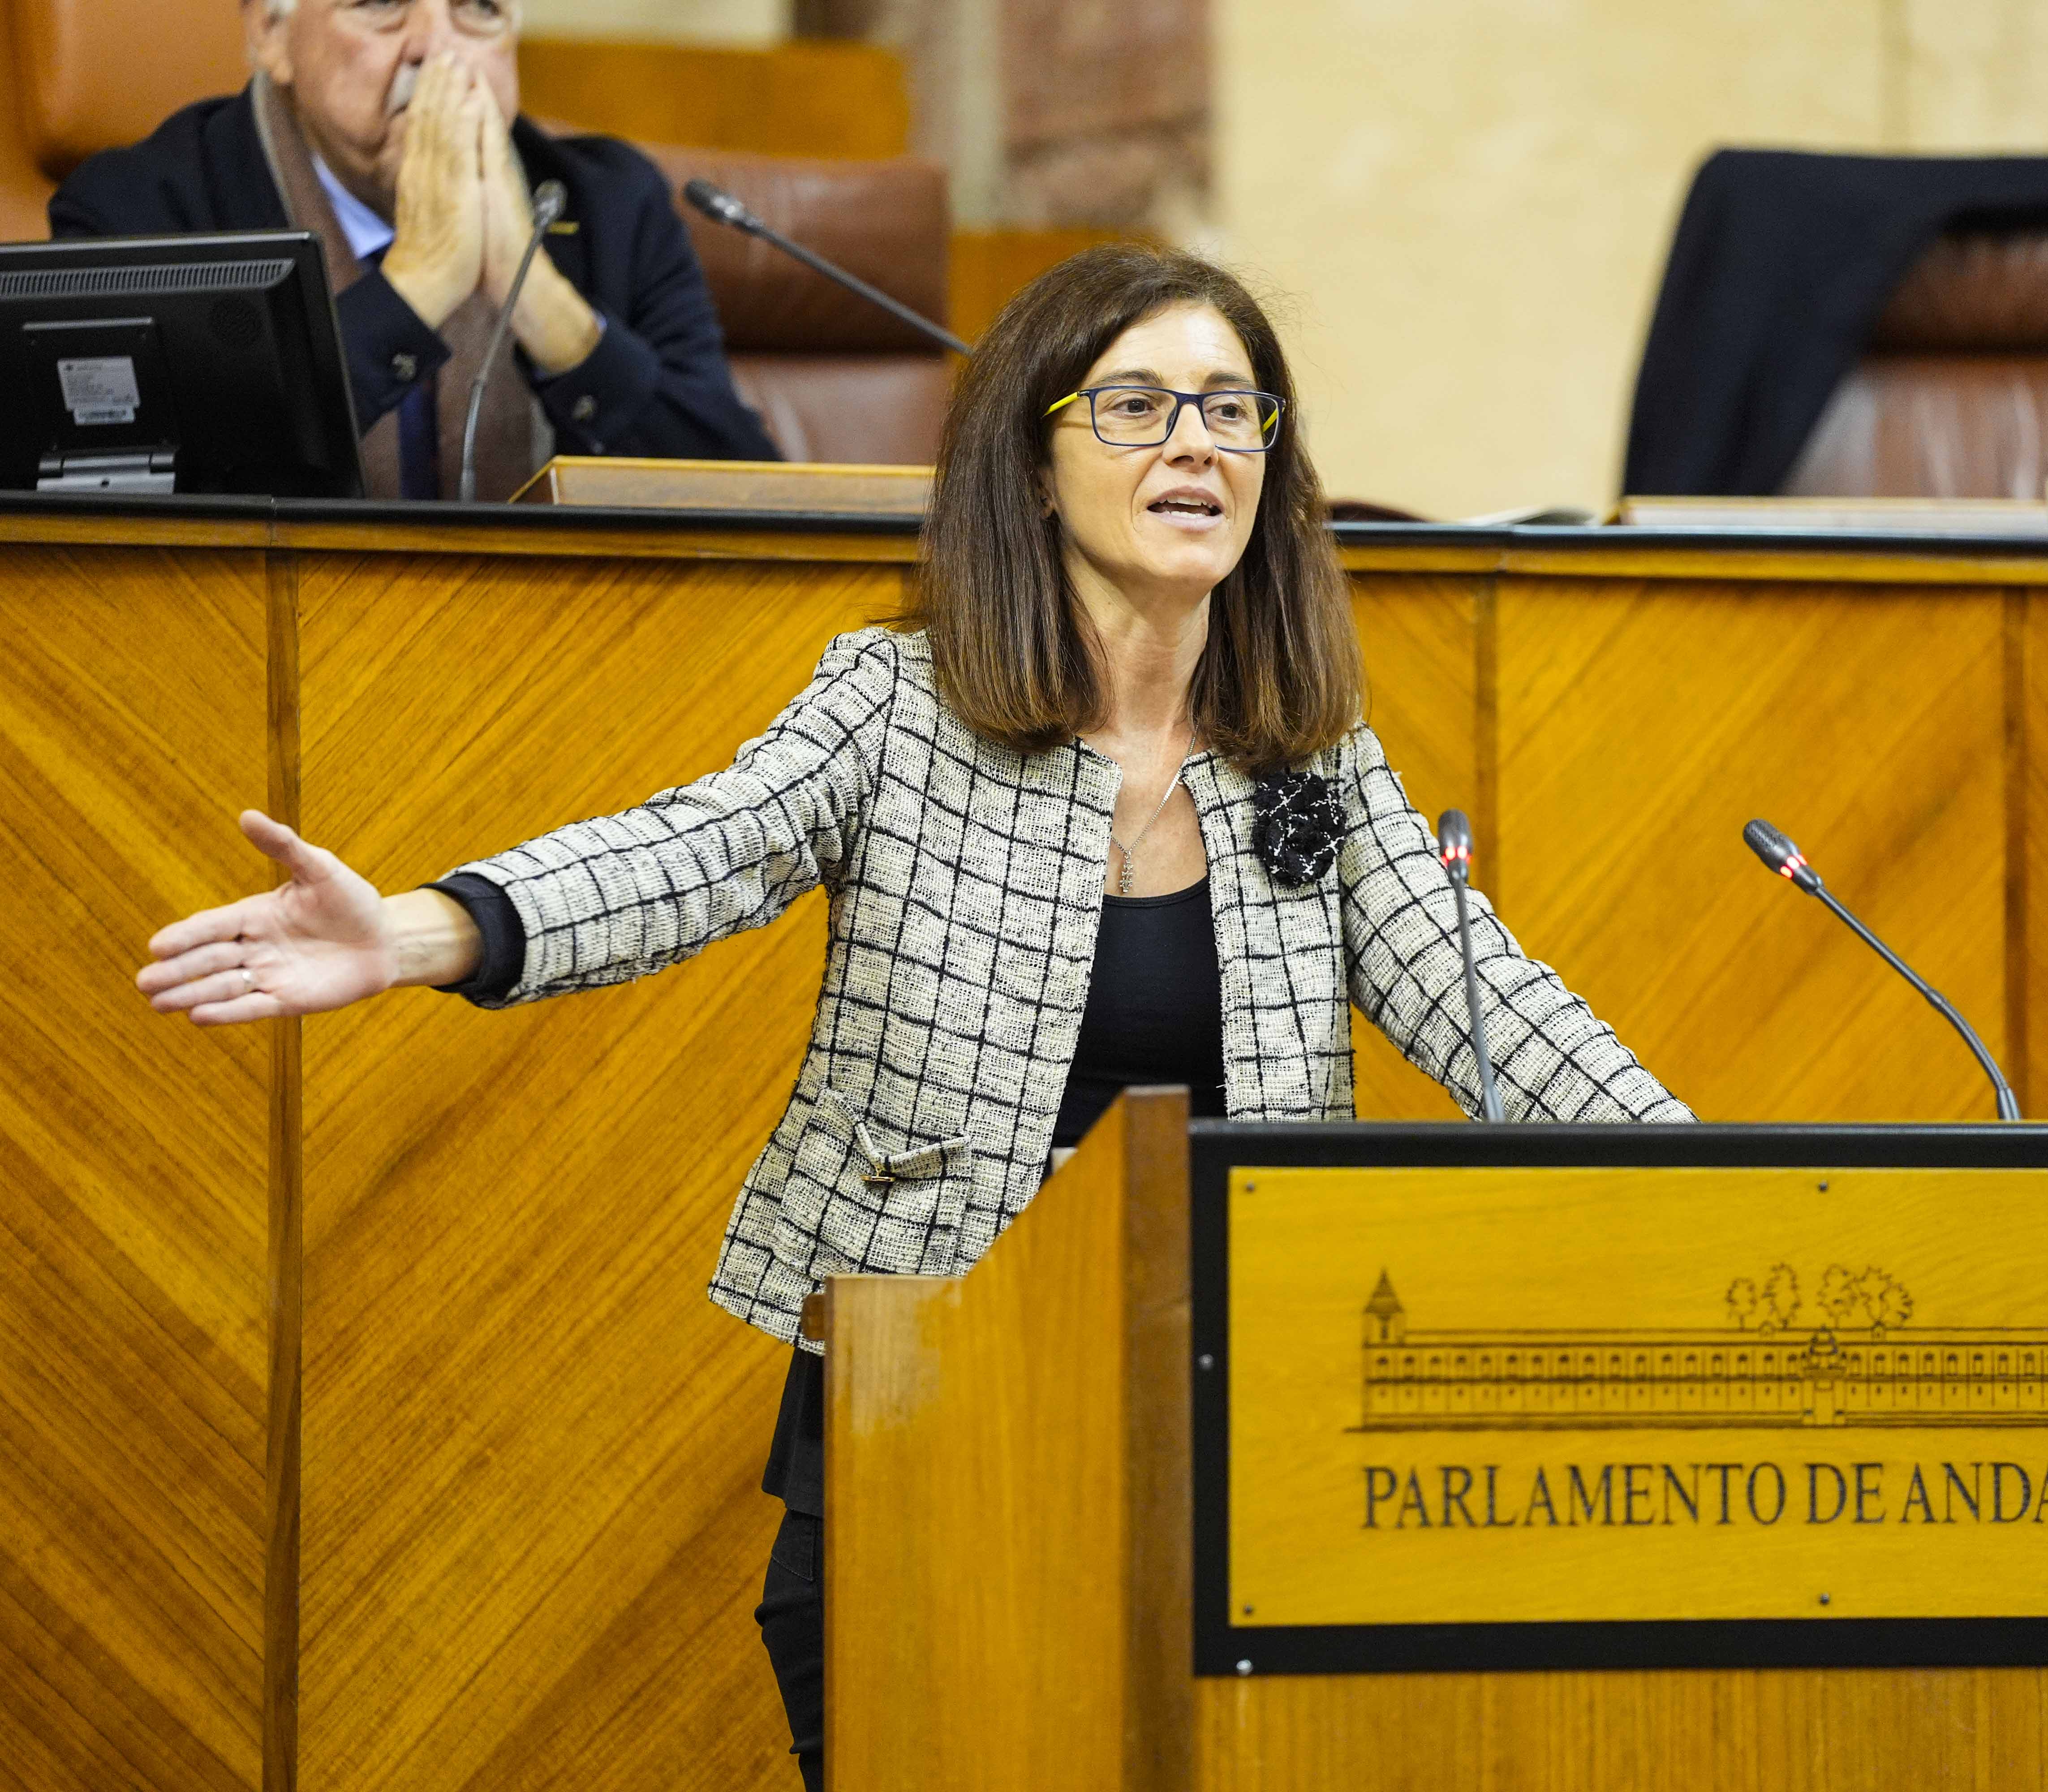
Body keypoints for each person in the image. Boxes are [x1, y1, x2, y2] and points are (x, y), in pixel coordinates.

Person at [135, 244, 1691, 1790]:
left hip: (1227, 1433)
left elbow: (1497, 1009)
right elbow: (696, 851)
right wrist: (425, 929)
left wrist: (1710, 1186)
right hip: (926, 1402)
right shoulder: (899, 708)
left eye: (1234, 410)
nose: (1197, 444)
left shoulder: (1314, 758)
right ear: (1032, 465)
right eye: (1139, 406)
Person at [51, 0, 777, 500]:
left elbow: (755, 505)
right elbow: (136, 509)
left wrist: (538, 300)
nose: (440, 49)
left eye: (480, 10)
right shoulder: (143, 207)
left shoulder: (611, 203)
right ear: (271, 35)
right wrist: (416, 287)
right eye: (381, 3)